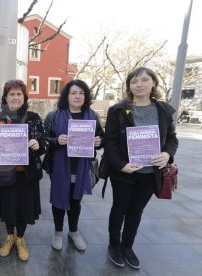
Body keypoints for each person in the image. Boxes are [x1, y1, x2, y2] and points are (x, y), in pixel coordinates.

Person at [104, 67, 178, 269]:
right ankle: (114, 245)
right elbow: (109, 142)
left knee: (136, 211)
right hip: (125, 171)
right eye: (134, 81)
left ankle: (128, 246)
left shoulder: (164, 110)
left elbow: (171, 139)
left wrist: (167, 154)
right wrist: (121, 165)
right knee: (119, 208)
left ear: (153, 83)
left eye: (144, 80)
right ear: (129, 86)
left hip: (150, 173)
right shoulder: (118, 110)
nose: (139, 85)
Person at [0, 79, 46, 262]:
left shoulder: (34, 118)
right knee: (7, 208)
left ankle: (20, 238)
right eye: (11, 94)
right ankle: (9, 237)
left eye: (18, 94)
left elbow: (44, 144)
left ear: (24, 97)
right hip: (5, 173)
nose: (15, 97)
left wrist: (38, 145)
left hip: (26, 174)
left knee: (23, 208)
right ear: (5, 97)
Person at [43, 79, 104, 251]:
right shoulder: (54, 116)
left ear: (86, 96)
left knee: (76, 200)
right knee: (58, 201)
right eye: (73, 93)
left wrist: (99, 141)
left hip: (82, 166)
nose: (77, 96)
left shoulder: (92, 116)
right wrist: (56, 140)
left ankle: (73, 231)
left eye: (81, 93)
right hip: (59, 166)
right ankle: (57, 231)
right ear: (66, 96)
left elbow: (102, 138)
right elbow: (44, 141)